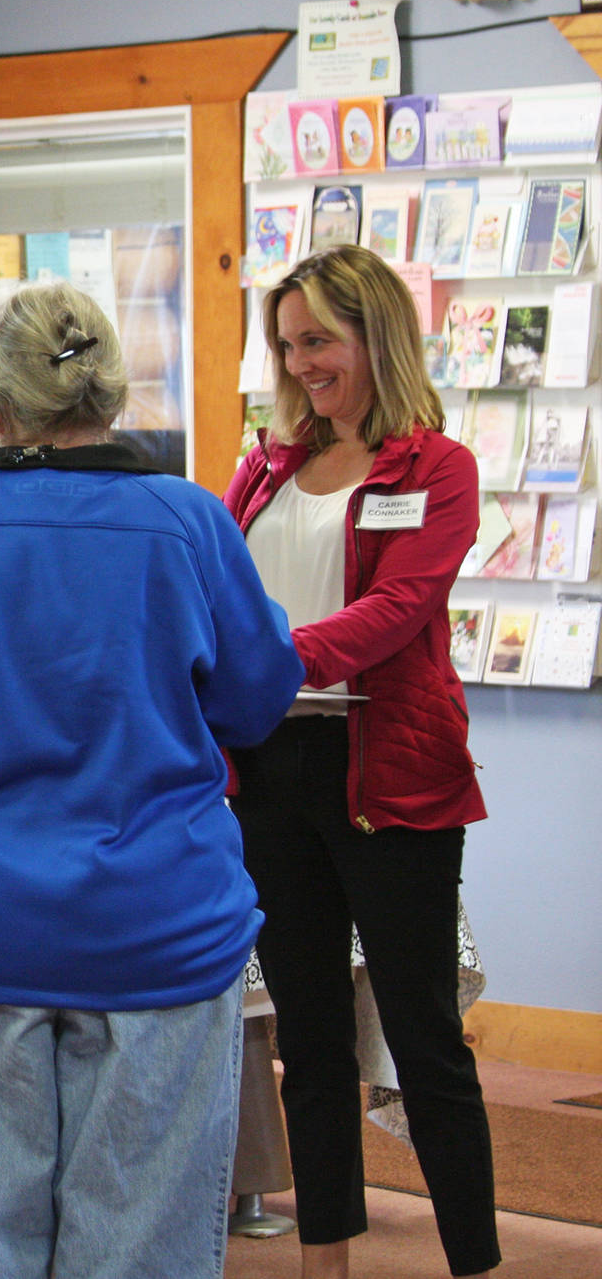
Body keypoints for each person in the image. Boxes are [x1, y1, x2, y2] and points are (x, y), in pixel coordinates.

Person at [0, 282, 304, 1279]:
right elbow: (258, 696)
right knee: (142, 1248)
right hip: (154, 927)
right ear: (111, 393)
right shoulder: (188, 523)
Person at [224, 244, 497, 1279]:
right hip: (269, 770)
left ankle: (474, 1260)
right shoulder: (262, 466)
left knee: (424, 1042)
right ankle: (321, 1261)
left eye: (317, 343)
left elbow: (395, 611)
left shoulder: (437, 467)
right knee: (307, 1036)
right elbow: (215, 587)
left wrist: (270, 659)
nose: (300, 365)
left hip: (387, 774)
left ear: (373, 336)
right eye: (288, 345)